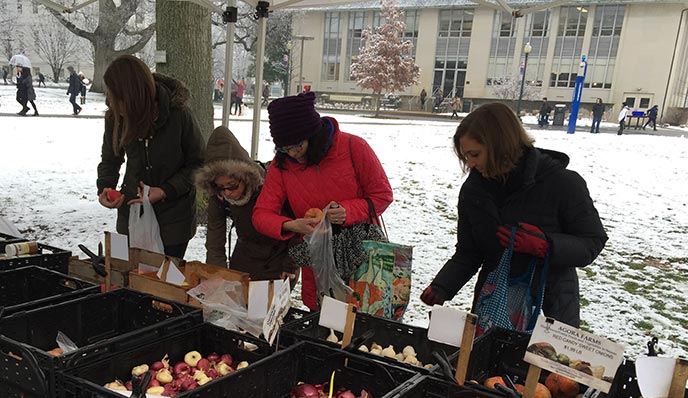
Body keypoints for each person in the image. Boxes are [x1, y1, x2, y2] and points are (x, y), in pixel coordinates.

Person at [420, 103, 607, 328]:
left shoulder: (563, 183)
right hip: (494, 304)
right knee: (485, 361)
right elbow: (469, 251)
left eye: (475, 154)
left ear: (501, 145)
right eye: (466, 156)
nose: (470, 164)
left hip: (551, 307)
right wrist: (443, 286)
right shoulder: (474, 190)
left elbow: (592, 242)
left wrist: (546, 245)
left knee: (544, 362)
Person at [252, 92, 393, 310]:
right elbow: (261, 215)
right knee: (323, 317)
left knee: (363, 313)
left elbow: (382, 195)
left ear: (312, 133)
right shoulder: (282, 166)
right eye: (284, 148)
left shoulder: (353, 147)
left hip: (362, 256)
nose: (292, 153)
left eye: (297, 146)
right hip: (318, 259)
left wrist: (348, 210)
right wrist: (291, 225)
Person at [96, 55, 204, 259]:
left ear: (133, 95)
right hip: (132, 215)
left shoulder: (178, 114)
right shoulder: (115, 116)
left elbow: (199, 164)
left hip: (174, 219)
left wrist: (165, 190)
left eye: (117, 97)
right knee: (131, 279)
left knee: (166, 281)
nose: (112, 102)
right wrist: (106, 187)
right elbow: (110, 159)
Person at [195, 126, 296, 281]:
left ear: (245, 177)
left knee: (269, 303)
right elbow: (215, 240)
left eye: (232, 185)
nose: (227, 192)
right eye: (220, 187)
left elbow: (298, 227)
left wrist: (291, 265)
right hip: (246, 254)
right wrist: (217, 274)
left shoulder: (271, 186)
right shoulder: (219, 197)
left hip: (280, 256)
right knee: (236, 299)